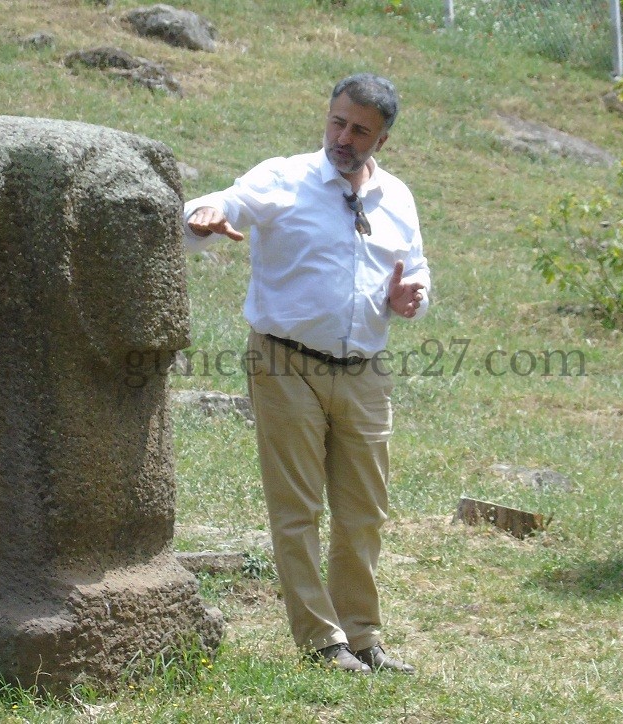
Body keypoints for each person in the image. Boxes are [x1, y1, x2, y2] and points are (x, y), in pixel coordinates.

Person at [183, 73, 430, 674]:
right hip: (284, 363)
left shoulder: (396, 197)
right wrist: (204, 214)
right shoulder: (285, 177)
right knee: (297, 509)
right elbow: (226, 201)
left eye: (360, 130)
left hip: (365, 371)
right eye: (337, 121)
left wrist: (411, 298)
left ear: (383, 139)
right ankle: (321, 643)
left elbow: (417, 273)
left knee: (364, 511)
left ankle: (363, 636)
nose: (343, 137)